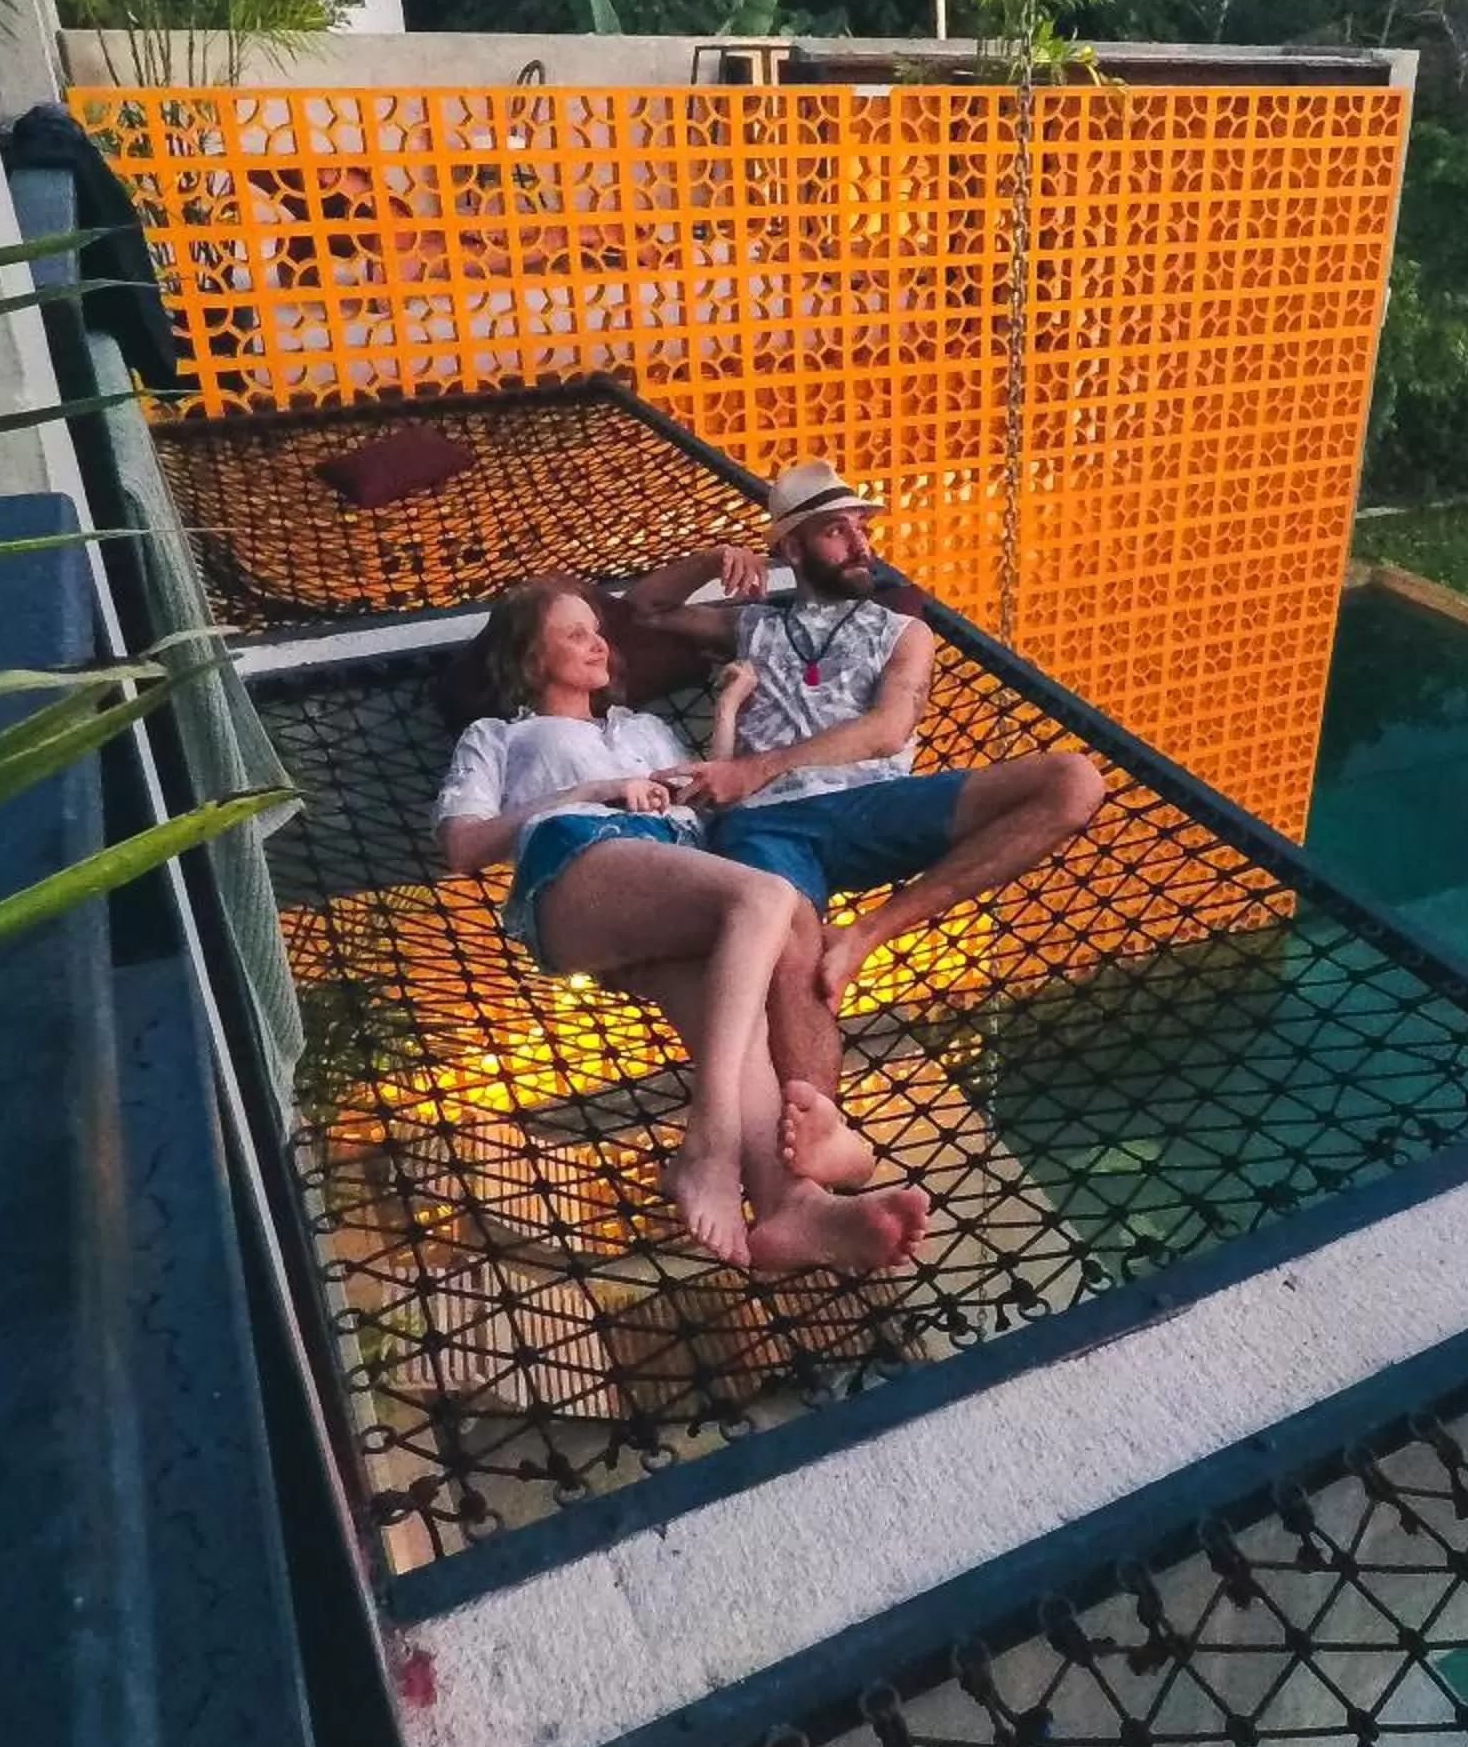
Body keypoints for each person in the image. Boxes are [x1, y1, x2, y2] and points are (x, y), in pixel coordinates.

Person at [431, 577, 927, 1274]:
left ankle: (791, 1207)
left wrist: (728, 710)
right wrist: (593, 790)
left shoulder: (643, 729)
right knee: (765, 898)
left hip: (671, 880)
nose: (596, 643)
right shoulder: (500, 736)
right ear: (532, 658)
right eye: (574, 633)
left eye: (597, 631)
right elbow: (462, 846)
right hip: (577, 863)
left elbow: (707, 799)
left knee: (738, 1027)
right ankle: (709, 1142)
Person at [626, 462, 1110, 1050]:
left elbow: (889, 729)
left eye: (863, 528)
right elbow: (643, 610)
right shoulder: (752, 628)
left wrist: (757, 767)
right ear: (793, 548)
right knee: (789, 958)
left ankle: (865, 935)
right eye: (838, 530)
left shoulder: (901, 631)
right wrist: (713, 560)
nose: (861, 545)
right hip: (767, 824)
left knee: (1073, 781)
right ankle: (808, 1105)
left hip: (872, 804)